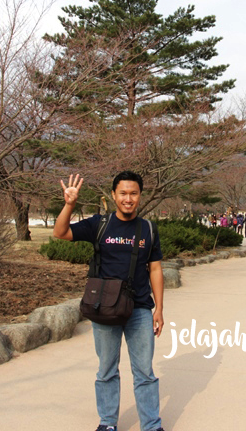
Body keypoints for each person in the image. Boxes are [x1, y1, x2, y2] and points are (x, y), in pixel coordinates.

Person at [53, 171, 165, 431]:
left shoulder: (148, 228)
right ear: (113, 195)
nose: (128, 199)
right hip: (104, 308)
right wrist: (69, 204)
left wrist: (159, 309)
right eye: (123, 193)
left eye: (133, 193)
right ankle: (108, 423)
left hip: (139, 309)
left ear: (140, 196)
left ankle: (151, 425)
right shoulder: (99, 224)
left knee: (145, 372)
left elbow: (156, 269)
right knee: (106, 370)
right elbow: (61, 233)